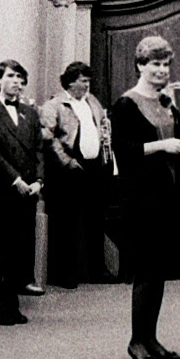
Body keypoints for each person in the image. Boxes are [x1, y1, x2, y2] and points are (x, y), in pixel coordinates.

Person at [111, 35, 180, 359]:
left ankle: (151, 338)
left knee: (158, 271)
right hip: (141, 199)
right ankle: (136, 341)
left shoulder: (165, 102)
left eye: (165, 64)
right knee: (145, 271)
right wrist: (163, 145)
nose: (161, 70)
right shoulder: (126, 104)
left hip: (165, 198)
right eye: (154, 64)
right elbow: (124, 152)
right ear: (140, 66)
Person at [0, 60, 44, 326]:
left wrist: (39, 180)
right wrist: (15, 179)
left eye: (20, 77)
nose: (16, 82)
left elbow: (40, 149)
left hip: (29, 191)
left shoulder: (30, 113)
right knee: (0, 250)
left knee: (20, 248)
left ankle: (13, 305)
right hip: (6, 190)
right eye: (11, 76)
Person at [40, 61, 112, 289]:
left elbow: (103, 124)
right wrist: (67, 161)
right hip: (68, 171)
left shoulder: (92, 102)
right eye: (83, 80)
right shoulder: (55, 105)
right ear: (71, 82)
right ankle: (63, 274)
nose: (87, 85)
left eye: (88, 81)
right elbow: (47, 137)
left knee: (95, 219)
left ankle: (97, 270)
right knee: (65, 223)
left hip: (93, 168)